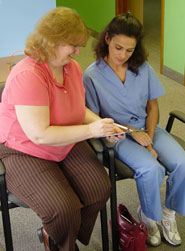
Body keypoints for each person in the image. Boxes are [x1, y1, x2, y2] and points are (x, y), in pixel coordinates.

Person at [0, 7, 123, 251]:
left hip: (66, 138)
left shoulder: (72, 68)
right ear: (52, 41)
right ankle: (61, 243)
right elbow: (40, 134)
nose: (78, 52)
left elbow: (78, 109)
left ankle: (57, 234)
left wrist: (101, 124)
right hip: (24, 149)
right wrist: (92, 131)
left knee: (99, 189)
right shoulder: (28, 75)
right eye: (73, 45)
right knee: (63, 209)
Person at [83, 12, 185, 247]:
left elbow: (152, 105)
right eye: (118, 47)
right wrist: (132, 133)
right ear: (107, 39)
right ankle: (149, 217)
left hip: (147, 128)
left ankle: (168, 214)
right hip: (117, 135)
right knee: (150, 169)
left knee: (182, 162)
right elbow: (96, 119)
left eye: (129, 50)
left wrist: (149, 138)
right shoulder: (91, 75)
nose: (123, 55)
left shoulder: (143, 67)